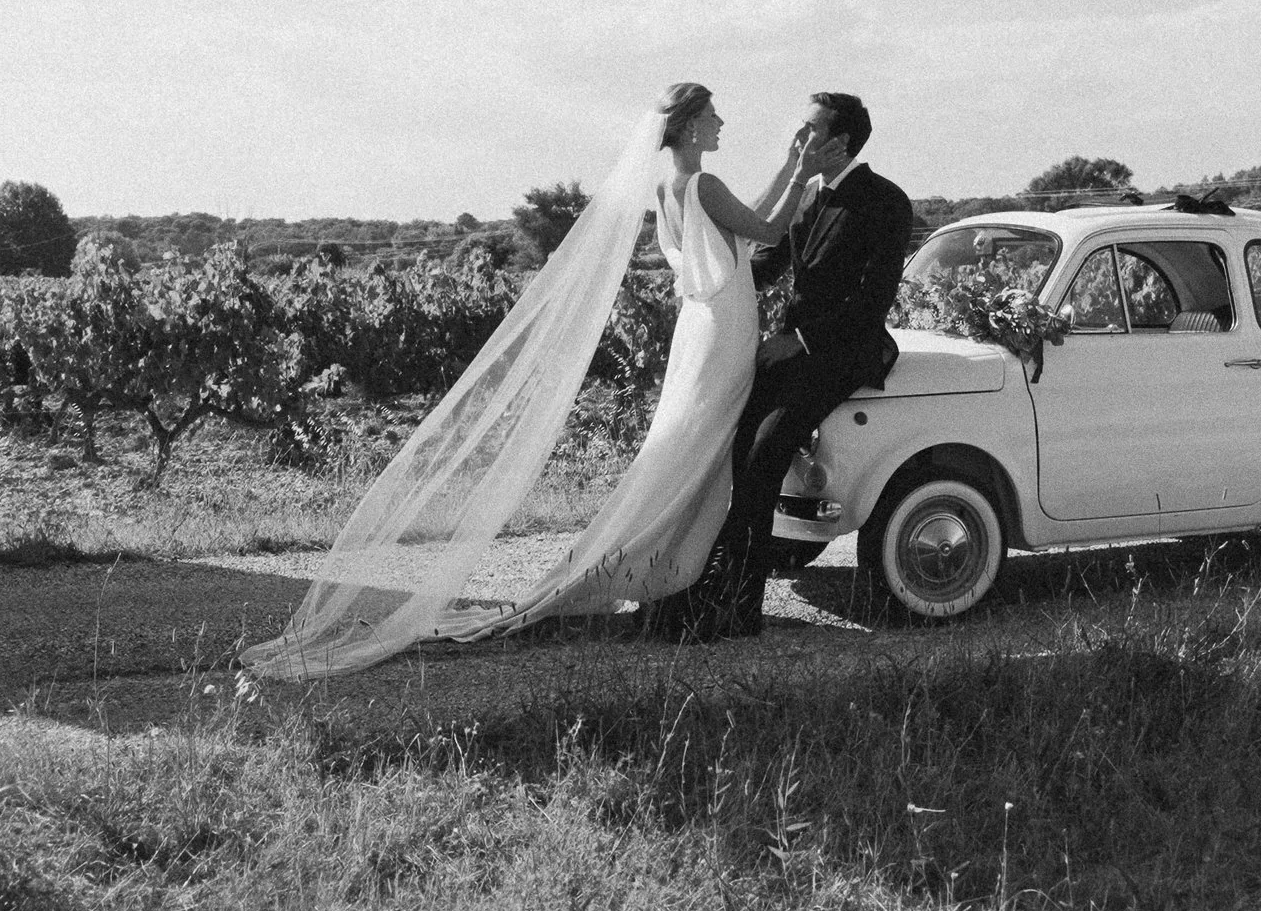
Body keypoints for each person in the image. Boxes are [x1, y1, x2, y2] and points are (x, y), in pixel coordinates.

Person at [241, 83, 832, 680]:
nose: (721, 121)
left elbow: (742, 226)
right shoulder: (702, 184)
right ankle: (663, 565)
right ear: (688, 126)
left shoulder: (673, 187)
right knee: (698, 447)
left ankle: (670, 563)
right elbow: (769, 230)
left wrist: (790, 167)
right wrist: (802, 171)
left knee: (687, 446)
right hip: (722, 329)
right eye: (711, 114)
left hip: (705, 326)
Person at [657, 91, 914, 642]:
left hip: (842, 351)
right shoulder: (806, 197)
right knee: (729, 448)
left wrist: (798, 338)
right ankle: (706, 588)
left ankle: (741, 609)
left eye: (808, 129)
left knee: (764, 454)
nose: (798, 138)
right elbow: (765, 262)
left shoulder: (885, 200)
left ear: (839, 141)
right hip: (784, 346)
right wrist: (716, 305)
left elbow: (874, 299)